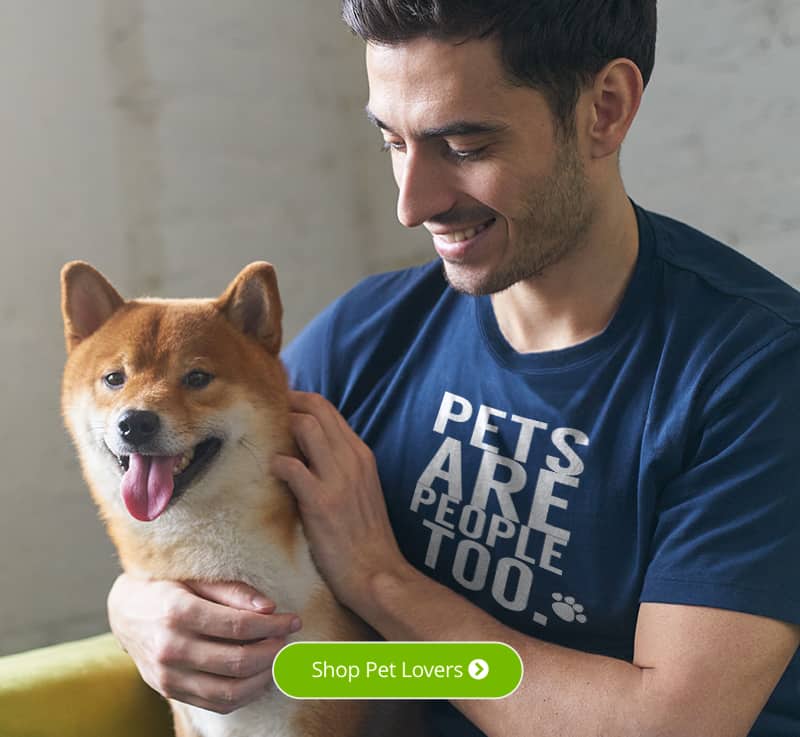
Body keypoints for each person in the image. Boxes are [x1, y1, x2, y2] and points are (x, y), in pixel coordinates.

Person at [107, 2, 800, 735]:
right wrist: (138, 611)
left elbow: (670, 727)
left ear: (605, 109)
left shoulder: (755, 375)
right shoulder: (364, 337)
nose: (414, 204)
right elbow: (210, 544)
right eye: (392, 143)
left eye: (464, 146)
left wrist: (385, 585)